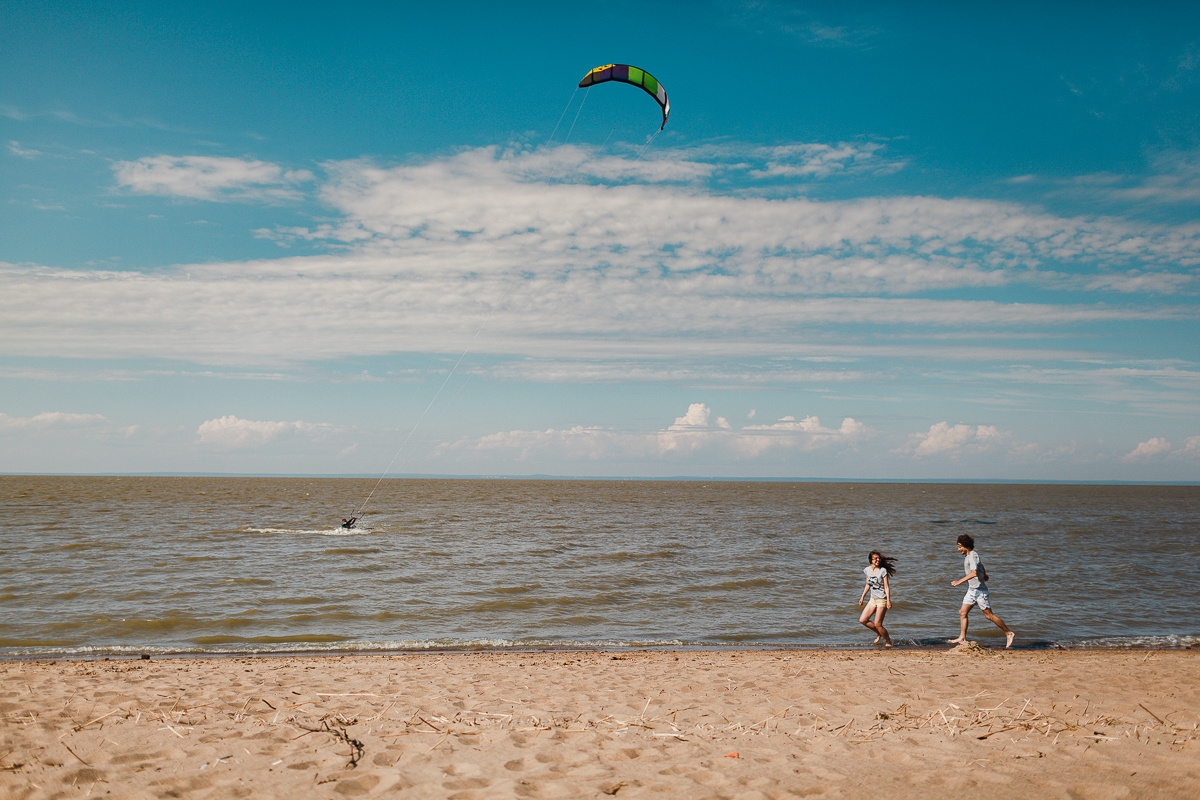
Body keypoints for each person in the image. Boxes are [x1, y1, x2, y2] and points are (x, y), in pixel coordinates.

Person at [949, 533, 1015, 648]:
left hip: (980, 591)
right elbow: (981, 565)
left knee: (989, 616)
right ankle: (962, 638)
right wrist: (984, 574)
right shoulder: (969, 556)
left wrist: (959, 581)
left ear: (966, 546)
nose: (958, 549)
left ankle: (1008, 633)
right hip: (972, 590)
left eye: (960, 546)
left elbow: (974, 572)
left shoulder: (973, 555)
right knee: (962, 612)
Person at [857, 550, 896, 647]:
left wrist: (888, 601)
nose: (878, 560)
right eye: (875, 558)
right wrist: (862, 597)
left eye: (879, 558)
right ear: (870, 560)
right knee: (863, 620)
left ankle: (888, 642)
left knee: (878, 624)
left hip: (882, 600)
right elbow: (868, 584)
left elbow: (886, 587)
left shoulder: (883, 571)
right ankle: (879, 633)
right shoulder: (867, 570)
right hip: (872, 599)